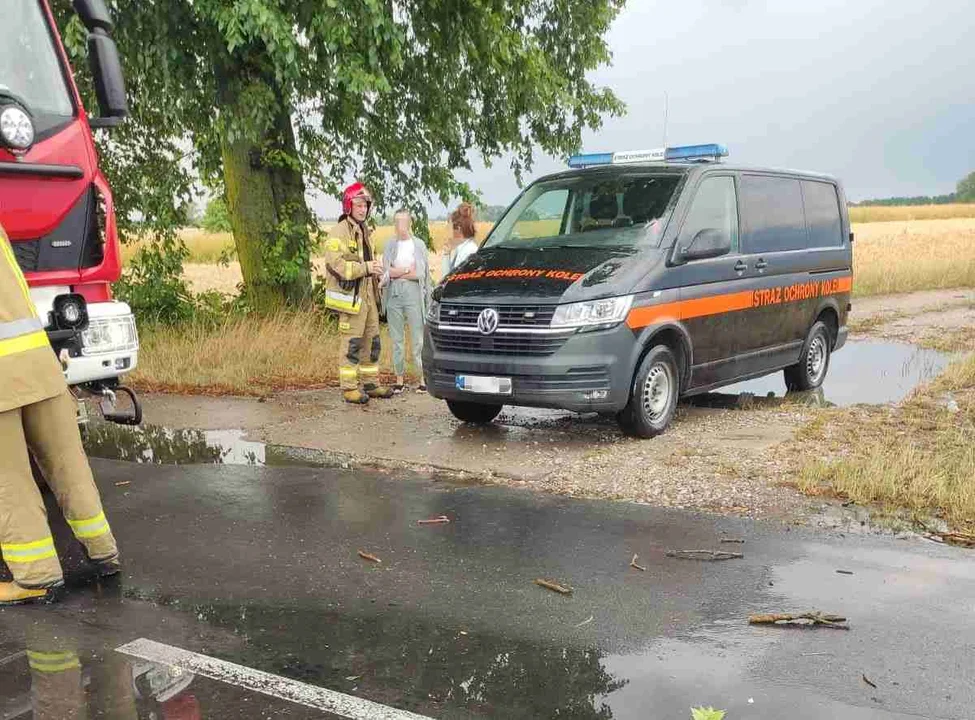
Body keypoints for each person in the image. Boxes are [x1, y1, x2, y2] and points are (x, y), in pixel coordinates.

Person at [0, 224, 120, 606]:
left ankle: (36, 577)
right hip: (38, 364)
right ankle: (104, 553)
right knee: (69, 466)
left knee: (9, 482)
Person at [323, 182, 394, 404]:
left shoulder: (365, 231)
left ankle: (371, 383)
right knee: (352, 343)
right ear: (348, 206)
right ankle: (349, 388)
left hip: (369, 296)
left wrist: (377, 276)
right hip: (350, 298)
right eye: (359, 205)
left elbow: (367, 263)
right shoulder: (339, 232)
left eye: (366, 206)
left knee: (372, 342)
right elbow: (336, 265)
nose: (363, 209)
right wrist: (366, 268)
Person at [380, 209, 432, 393]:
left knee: (417, 338)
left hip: (413, 293)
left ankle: (422, 379)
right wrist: (403, 271)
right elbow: (386, 271)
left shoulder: (418, 245)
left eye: (403, 222)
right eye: (396, 223)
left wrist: (397, 271)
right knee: (397, 339)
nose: (399, 227)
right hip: (394, 294)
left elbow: (420, 273)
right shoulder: (390, 245)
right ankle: (399, 379)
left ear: (410, 224)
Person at [440, 202, 480, 278]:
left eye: (450, 227)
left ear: (458, 228)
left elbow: (447, 279)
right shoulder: (461, 249)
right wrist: (446, 254)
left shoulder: (469, 251)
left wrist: (446, 255)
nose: (448, 230)